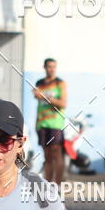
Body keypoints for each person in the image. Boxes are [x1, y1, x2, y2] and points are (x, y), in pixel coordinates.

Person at [33, 58, 68, 186]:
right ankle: (48, 186)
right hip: (41, 123)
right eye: (49, 66)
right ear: (44, 67)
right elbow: (35, 95)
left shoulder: (60, 83)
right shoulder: (40, 83)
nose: (51, 69)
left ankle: (57, 186)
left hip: (56, 124)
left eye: (54, 66)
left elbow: (63, 103)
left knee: (56, 154)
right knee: (47, 156)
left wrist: (44, 96)